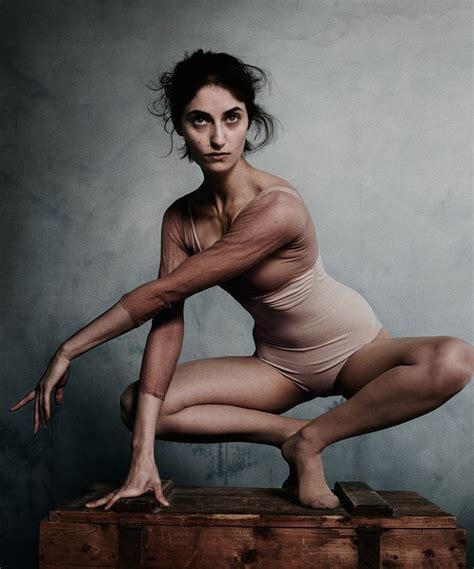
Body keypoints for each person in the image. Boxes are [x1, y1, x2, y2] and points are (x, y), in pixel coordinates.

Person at [10, 50, 473, 512]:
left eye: (231, 118)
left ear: (249, 121)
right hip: (278, 367)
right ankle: (290, 436)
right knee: (139, 407)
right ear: (179, 127)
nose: (217, 138)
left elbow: (163, 292)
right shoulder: (180, 220)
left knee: (455, 360)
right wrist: (142, 455)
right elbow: (167, 319)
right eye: (200, 121)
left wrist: (68, 349)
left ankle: (311, 441)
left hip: (354, 350)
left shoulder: (278, 208)